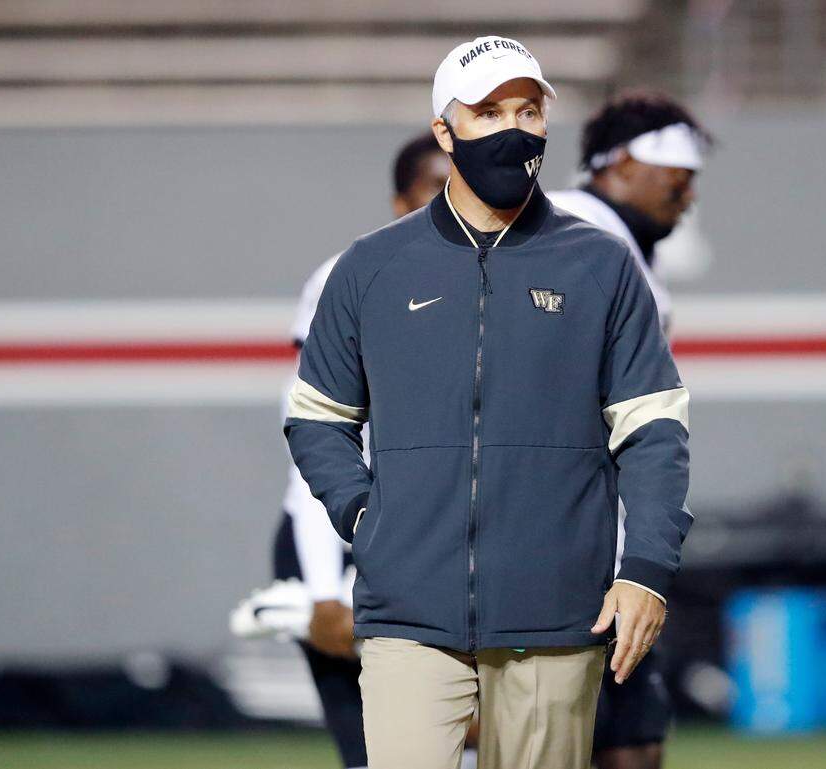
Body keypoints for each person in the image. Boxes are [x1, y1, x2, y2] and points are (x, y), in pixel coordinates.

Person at [284, 35, 691, 769]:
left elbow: (654, 427)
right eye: (488, 111)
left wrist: (645, 569)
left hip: (558, 615)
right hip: (408, 613)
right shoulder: (372, 266)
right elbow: (316, 416)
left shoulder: (601, 265)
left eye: (528, 110)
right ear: (445, 131)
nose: (513, 127)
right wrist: (368, 519)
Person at [238, 133, 450, 769]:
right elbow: (321, 448)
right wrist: (326, 590)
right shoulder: (352, 277)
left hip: (447, 541)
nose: (455, 201)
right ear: (398, 201)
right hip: (352, 534)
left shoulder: (523, 272)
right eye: (436, 188)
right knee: (381, 752)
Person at [548, 91, 710, 769]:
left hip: (605, 541)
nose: (687, 196)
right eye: (675, 179)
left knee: (634, 740)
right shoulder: (575, 238)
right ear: (616, 165)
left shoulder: (625, 246)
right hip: (557, 541)